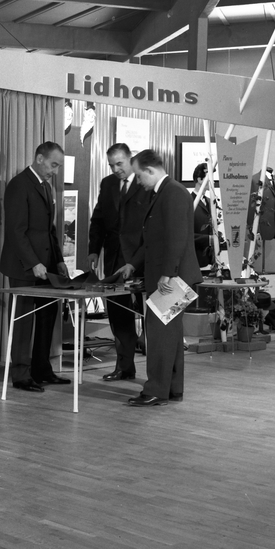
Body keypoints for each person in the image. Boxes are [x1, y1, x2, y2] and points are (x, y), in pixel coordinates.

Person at [118, 149, 202, 408]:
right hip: (173, 275)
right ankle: (172, 388)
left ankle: (155, 390)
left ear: (150, 170)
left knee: (159, 335)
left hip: (173, 278)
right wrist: (133, 263)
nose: (138, 181)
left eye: (139, 176)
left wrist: (168, 272)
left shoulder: (173, 192)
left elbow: (177, 237)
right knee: (170, 336)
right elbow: (153, 239)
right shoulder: (165, 192)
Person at [0, 141, 69, 392]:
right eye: (53, 165)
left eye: (58, 166)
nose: (55, 171)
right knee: (23, 320)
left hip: (46, 267)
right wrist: (33, 263)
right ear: (39, 158)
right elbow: (16, 232)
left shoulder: (46, 187)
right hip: (24, 267)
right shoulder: (19, 185)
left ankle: (42, 369)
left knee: (47, 316)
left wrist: (58, 260)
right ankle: (20, 375)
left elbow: (50, 230)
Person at [87, 143, 151, 383]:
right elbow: (98, 220)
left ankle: (156, 374)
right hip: (114, 259)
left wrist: (137, 260)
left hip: (142, 259)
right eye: (111, 165)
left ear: (130, 159)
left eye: (119, 164)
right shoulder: (108, 184)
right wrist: (93, 250)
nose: (115, 169)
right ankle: (124, 367)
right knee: (118, 314)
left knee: (151, 315)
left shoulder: (146, 183)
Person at [192, 162, 214, 269]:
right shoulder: (188, 202)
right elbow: (185, 234)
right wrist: (209, 239)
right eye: (210, 178)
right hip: (195, 259)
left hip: (211, 260)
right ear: (200, 179)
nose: (213, 182)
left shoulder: (210, 202)